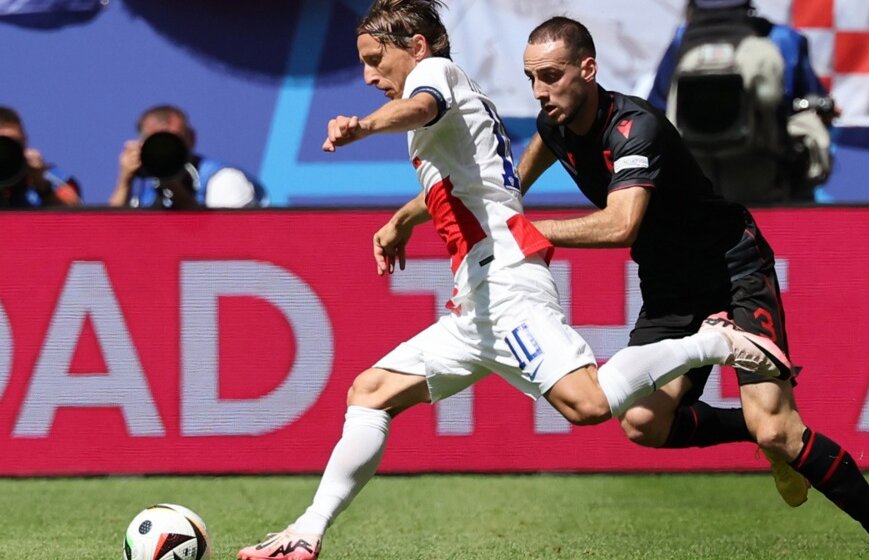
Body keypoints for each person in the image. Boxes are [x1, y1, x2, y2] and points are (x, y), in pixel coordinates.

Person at [236, 2, 791, 559]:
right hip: (476, 301)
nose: (367, 76)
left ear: (417, 47)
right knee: (370, 392)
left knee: (589, 404)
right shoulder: (456, 105)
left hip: (504, 284)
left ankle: (713, 342)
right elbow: (472, 186)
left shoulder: (435, 75)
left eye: (376, 59)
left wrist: (364, 126)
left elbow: (419, 107)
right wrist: (402, 220)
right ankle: (306, 533)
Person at [517, 16, 869, 560]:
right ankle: (755, 434)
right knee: (642, 422)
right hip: (670, 288)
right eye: (531, 78)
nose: (540, 91)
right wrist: (473, 205)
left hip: (733, 268)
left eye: (551, 75)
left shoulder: (636, 127)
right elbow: (515, 181)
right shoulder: (554, 124)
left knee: (777, 429)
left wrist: (529, 230)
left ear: (588, 69)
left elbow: (621, 225)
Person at [646, 0, 834, 203]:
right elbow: (811, 101)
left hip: (694, 180)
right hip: (762, 178)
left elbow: (655, 110)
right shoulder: (782, 39)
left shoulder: (681, 40)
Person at [108, 105, 267, 209]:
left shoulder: (223, 178)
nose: (164, 149)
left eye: (172, 140)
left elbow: (227, 239)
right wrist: (124, 181)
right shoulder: (141, 186)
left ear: (191, 137)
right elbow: (108, 234)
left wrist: (174, 187)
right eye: (156, 141)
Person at [0, 106, 81, 208]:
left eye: (14, 142)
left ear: (25, 140)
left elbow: (76, 211)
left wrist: (41, 182)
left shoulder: (50, 176)